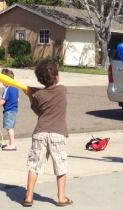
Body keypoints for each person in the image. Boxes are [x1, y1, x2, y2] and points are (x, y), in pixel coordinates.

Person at [22, 60, 72, 207]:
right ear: (56, 76)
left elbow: (39, 112)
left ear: (39, 79)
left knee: (34, 166)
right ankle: (61, 197)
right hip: (58, 134)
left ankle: (29, 196)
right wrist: (34, 92)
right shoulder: (62, 90)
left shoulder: (38, 95)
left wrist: (31, 95)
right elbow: (51, 92)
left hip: (40, 133)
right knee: (60, 166)